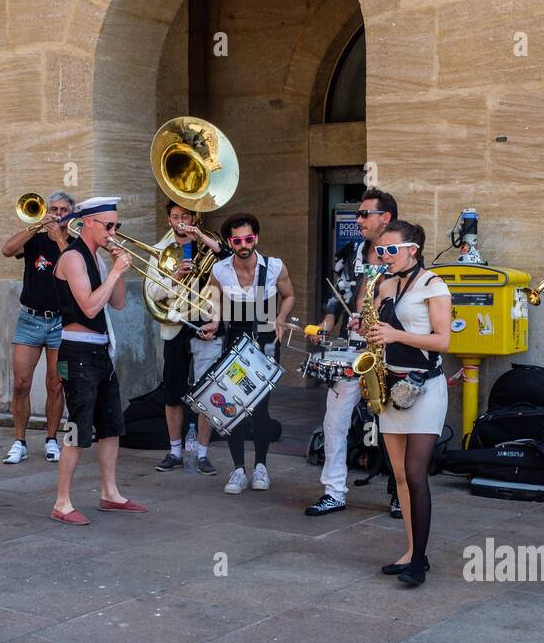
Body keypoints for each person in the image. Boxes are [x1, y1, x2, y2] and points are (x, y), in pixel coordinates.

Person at [362, 221, 451, 587]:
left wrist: (396, 333)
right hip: (392, 386)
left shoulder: (434, 285)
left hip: (425, 388)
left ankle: (421, 560)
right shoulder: (385, 285)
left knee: (416, 474)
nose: (384, 257)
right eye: (380, 251)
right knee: (398, 476)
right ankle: (411, 550)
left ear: (412, 250)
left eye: (390, 251)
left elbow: (443, 341)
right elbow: (380, 332)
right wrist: (365, 327)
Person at [51, 196, 147, 524]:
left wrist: (118, 269)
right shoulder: (72, 257)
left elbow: (117, 303)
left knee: (111, 426)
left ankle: (110, 493)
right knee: (78, 428)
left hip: (101, 351)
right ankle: (62, 502)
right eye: (108, 225)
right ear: (88, 222)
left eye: (116, 226)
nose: (113, 232)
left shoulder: (98, 258)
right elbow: (90, 307)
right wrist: (116, 269)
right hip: (77, 353)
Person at [306, 189, 400, 517]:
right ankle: (333, 490)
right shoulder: (350, 252)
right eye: (358, 214)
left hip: (387, 346)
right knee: (335, 421)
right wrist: (327, 324)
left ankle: (399, 492)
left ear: (385, 217)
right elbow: (338, 296)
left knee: (393, 423)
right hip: (353, 348)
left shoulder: (399, 254)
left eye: (364, 214)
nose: (358, 219)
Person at [200, 212, 295, 495]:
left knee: (261, 408)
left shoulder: (274, 267)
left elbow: (289, 295)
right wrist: (215, 320)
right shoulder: (221, 270)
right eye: (237, 240)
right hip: (235, 340)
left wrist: (280, 317)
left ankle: (262, 466)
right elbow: (215, 297)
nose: (244, 244)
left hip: (265, 340)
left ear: (256, 238)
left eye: (249, 239)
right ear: (230, 241)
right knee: (235, 408)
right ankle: (238, 469)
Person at [148, 200, 225, 475]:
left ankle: (202, 454)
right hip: (175, 325)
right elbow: (152, 294)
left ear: (194, 218)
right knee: (173, 393)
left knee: (206, 391)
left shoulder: (209, 244)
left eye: (185, 216)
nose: (181, 222)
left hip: (205, 323)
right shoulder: (158, 250)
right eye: (175, 217)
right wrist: (175, 277)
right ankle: (175, 451)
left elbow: (226, 266)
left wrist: (216, 319)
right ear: (168, 219)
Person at [0, 191, 73, 465]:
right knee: (20, 383)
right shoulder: (35, 238)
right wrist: (35, 226)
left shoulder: (73, 243)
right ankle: (19, 441)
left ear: (71, 213)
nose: (57, 214)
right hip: (29, 320)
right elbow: (7, 250)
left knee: (56, 384)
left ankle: (52, 439)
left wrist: (60, 239)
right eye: (53, 209)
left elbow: (78, 269)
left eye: (63, 210)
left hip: (60, 323)